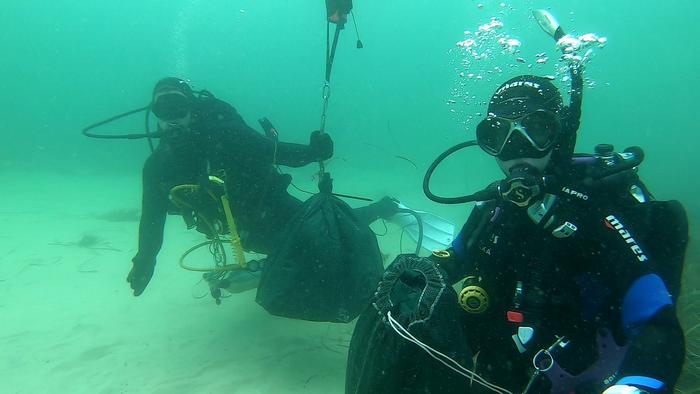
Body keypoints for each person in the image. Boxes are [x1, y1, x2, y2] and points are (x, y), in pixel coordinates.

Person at [432, 75, 687, 393]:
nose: (516, 148)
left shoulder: (598, 202)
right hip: (502, 372)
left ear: (560, 131)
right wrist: (418, 273)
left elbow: (655, 320)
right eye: (499, 135)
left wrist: (635, 387)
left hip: (592, 378)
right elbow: (454, 258)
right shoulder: (494, 209)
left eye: (535, 128)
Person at [127, 77, 396, 297]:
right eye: (164, 111)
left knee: (332, 232)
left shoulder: (223, 133)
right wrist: (145, 260)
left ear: (192, 108)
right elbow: (152, 216)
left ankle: (381, 208)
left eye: (179, 108)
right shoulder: (157, 166)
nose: (172, 119)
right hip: (241, 231)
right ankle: (276, 266)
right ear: (155, 116)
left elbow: (272, 151)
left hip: (271, 206)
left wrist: (315, 152)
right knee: (304, 253)